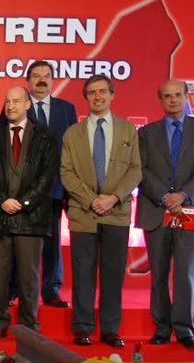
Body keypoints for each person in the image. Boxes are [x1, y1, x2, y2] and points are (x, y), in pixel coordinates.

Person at [60, 74, 142, 348]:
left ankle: (110, 329)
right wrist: (92, 199)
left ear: (112, 95)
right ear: (86, 98)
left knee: (112, 273)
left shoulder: (128, 130)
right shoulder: (73, 133)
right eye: (92, 93)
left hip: (116, 214)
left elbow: (135, 170)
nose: (98, 97)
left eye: (103, 92)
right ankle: (83, 327)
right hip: (84, 214)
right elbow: (67, 172)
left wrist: (113, 198)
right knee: (83, 274)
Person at [137, 79, 194, 350]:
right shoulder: (146, 133)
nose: (173, 100)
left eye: (177, 95)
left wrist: (182, 196)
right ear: (160, 100)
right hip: (157, 209)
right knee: (158, 273)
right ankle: (161, 327)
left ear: (186, 97)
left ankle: (184, 329)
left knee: (185, 273)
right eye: (167, 96)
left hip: (189, 209)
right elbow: (141, 170)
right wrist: (165, 196)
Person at [0, 86, 59, 339]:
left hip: (31, 218)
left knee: (29, 278)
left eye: (16, 101)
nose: (10, 105)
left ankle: (29, 326)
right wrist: (2, 200)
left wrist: (23, 203)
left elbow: (47, 177)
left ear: (27, 105)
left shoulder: (45, 137)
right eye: (7, 100)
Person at [26, 60, 78, 309]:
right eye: (36, 76)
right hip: (23, 189)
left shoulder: (66, 109)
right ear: (29, 80)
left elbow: (73, 151)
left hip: (56, 188)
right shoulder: (18, 106)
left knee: (52, 240)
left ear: (53, 79)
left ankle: (51, 289)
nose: (41, 80)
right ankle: (18, 289)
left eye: (46, 75)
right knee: (22, 241)